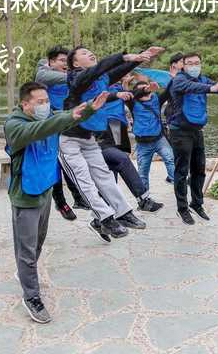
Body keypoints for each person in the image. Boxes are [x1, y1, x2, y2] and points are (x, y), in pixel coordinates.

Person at [4, 82, 107, 323]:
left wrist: (90, 109)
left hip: (45, 190)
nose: (45, 105)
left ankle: (25, 274)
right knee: (26, 248)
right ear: (25, 104)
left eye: (47, 100)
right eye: (39, 102)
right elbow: (42, 128)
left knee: (37, 242)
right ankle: (31, 296)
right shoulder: (14, 125)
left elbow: (62, 119)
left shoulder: (50, 116)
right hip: (25, 195)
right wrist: (67, 115)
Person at [61, 45, 164, 241]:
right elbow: (99, 69)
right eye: (83, 53)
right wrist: (124, 56)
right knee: (85, 182)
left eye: (91, 50)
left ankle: (123, 212)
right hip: (70, 139)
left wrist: (140, 58)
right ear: (74, 63)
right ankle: (104, 218)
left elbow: (114, 74)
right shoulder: (76, 79)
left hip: (90, 138)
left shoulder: (99, 79)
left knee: (105, 177)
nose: (90, 52)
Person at [167, 52, 218, 224]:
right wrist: (211, 88)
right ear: (183, 66)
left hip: (197, 131)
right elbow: (195, 88)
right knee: (181, 171)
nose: (194, 66)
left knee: (199, 169)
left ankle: (197, 203)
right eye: (190, 63)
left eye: (197, 63)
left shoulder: (202, 78)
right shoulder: (178, 80)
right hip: (179, 131)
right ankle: (182, 208)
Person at [34, 46, 90, 220]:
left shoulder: (71, 76)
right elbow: (42, 76)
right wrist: (78, 75)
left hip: (67, 122)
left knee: (69, 160)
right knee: (55, 164)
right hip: (50, 125)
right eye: (61, 61)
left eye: (67, 61)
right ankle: (61, 202)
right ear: (51, 62)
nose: (65, 64)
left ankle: (79, 197)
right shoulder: (44, 73)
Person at [98, 76, 164, 212]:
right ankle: (116, 201)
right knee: (116, 161)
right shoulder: (103, 86)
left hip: (119, 124)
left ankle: (112, 201)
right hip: (112, 123)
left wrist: (127, 85)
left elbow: (132, 96)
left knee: (116, 162)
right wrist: (144, 89)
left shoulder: (117, 87)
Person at [128, 79, 176, 190]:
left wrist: (173, 79)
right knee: (143, 173)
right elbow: (128, 94)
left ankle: (175, 182)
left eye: (148, 88)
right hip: (142, 143)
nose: (147, 91)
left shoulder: (157, 99)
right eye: (143, 89)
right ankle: (144, 199)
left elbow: (168, 91)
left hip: (159, 139)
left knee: (170, 159)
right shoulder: (132, 102)